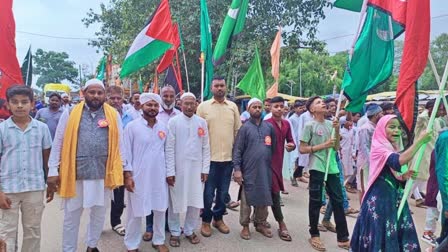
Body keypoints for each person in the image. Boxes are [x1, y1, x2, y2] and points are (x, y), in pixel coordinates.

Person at [47, 79, 125, 252]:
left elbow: (121, 143)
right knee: (72, 216)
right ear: (84, 93)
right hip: (76, 173)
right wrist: (53, 169)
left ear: (104, 95)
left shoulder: (113, 114)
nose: (96, 96)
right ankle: (69, 249)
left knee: (99, 214)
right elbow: (59, 141)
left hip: (102, 173)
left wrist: (124, 169)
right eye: (92, 92)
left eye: (99, 93)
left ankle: (92, 245)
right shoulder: (71, 112)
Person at [350, 115, 432, 251]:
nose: (397, 131)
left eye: (399, 128)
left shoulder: (389, 147)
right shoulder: (379, 148)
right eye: (392, 127)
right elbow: (398, 161)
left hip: (393, 197)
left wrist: (403, 176)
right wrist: (419, 141)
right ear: (382, 129)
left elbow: (389, 171)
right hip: (380, 202)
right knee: (381, 235)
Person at [0, 85, 52, 251]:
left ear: (32, 103)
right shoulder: (1, 129)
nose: (20, 106)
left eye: (24, 102)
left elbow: (47, 159)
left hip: (34, 188)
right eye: (15, 102)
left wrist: (50, 182)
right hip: (8, 189)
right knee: (6, 232)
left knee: (33, 231)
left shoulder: (42, 129)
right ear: (7, 105)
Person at [299, 96, 350, 251]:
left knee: (338, 200)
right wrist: (322, 145)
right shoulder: (309, 125)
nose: (323, 104)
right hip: (317, 167)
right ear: (312, 109)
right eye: (318, 103)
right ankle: (314, 234)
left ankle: (343, 238)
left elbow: (335, 148)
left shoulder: (331, 124)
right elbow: (302, 148)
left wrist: (335, 130)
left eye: (323, 102)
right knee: (315, 201)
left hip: (332, 168)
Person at [123, 93, 169, 252]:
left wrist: (169, 173)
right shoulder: (132, 127)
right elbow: (125, 153)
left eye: (156, 105)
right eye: (149, 105)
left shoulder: (163, 126)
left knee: (160, 208)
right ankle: (131, 244)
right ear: (142, 106)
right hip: (138, 176)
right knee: (135, 212)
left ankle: (159, 240)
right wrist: (127, 175)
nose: (153, 108)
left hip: (159, 176)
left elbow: (167, 152)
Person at [197, 77, 241, 237]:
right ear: (212, 88)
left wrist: (237, 158)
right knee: (208, 194)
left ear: (226, 87)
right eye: (216, 86)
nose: (220, 88)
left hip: (228, 160)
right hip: (209, 160)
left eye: (222, 85)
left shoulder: (233, 107)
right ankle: (206, 221)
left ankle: (218, 218)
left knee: (223, 193)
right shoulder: (203, 107)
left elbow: (237, 132)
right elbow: (198, 134)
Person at [166, 92, 210, 247]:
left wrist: (205, 169)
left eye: (192, 103)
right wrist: (170, 172)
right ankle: (175, 231)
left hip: (197, 170)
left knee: (195, 201)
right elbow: (169, 149)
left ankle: (190, 230)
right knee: (175, 201)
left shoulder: (202, 123)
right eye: (186, 103)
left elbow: (206, 147)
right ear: (180, 104)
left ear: (196, 104)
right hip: (178, 170)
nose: (190, 106)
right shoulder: (173, 122)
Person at [233, 98, 275, 240]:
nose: (257, 109)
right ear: (248, 110)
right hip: (249, 170)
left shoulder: (269, 128)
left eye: (259, 107)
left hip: (265, 170)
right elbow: (237, 150)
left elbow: (272, 149)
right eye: (254, 107)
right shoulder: (244, 128)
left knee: (263, 197)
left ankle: (260, 223)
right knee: (246, 199)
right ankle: (245, 226)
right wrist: (237, 170)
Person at [143, 85, 181, 242]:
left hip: (173, 161)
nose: (168, 99)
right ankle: (150, 227)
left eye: (171, 96)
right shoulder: (153, 113)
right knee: (151, 194)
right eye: (165, 95)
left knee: (169, 196)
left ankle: (167, 225)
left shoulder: (179, 114)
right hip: (153, 162)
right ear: (160, 96)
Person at [265, 96, 295, 241]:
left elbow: (291, 141)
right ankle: (281, 223)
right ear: (270, 108)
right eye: (275, 106)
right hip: (266, 164)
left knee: (271, 192)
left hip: (279, 162)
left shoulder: (286, 124)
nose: (278, 109)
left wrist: (291, 146)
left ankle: (258, 218)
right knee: (274, 193)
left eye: (281, 106)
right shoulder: (266, 123)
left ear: (284, 108)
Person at [106, 86, 134, 237]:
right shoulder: (101, 115)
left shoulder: (130, 117)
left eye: (118, 98)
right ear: (107, 98)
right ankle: (95, 225)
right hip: (104, 162)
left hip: (122, 161)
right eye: (112, 98)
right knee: (101, 197)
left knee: (119, 195)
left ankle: (116, 222)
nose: (116, 101)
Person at [356, 104, 383, 202]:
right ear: (376, 115)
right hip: (366, 162)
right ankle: (362, 210)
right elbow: (364, 147)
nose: (383, 115)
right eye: (381, 113)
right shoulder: (366, 128)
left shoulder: (377, 127)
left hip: (374, 161)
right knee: (364, 186)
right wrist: (372, 161)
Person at [289, 100, 308, 185]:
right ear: (295, 109)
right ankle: (293, 177)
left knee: (301, 160)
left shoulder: (302, 117)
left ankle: (299, 175)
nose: (301, 109)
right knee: (295, 160)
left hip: (301, 141)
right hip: (294, 141)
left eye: (302, 108)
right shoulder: (292, 119)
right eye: (299, 108)